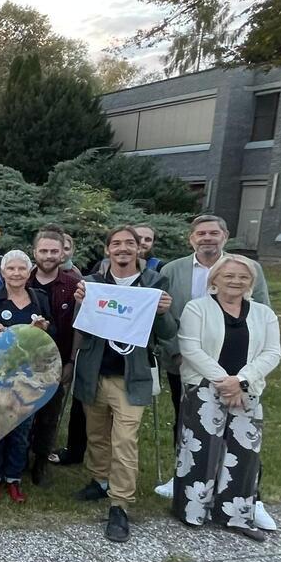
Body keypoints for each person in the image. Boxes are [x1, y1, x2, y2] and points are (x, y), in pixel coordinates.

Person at [157, 215, 273, 520]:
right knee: (190, 432)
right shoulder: (174, 272)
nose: (207, 238)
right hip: (192, 369)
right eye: (201, 233)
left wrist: (240, 380)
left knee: (243, 444)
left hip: (243, 377)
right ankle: (190, 492)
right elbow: (172, 321)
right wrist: (216, 376)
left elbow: (269, 341)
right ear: (191, 238)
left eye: (213, 233)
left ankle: (248, 501)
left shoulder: (250, 276)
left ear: (225, 236)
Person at [72, 226, 176, 543]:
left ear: (139, 249)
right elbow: (82, 328)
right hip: (95, 372)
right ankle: (100, 480)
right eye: (116, 243)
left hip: (131, 377)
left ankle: (120, 503)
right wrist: (81, 304)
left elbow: (167, 333)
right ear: (107, 250)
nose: (122, 248)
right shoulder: (92, 284)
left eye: (129, 243)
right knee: (96, 434)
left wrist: (162, 313)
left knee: (125, 441)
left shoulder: (154, 284)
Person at [173, 254, 281, 542]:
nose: (235, 281)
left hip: (247, 389)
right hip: (204, 387)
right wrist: (225, 382)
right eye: (229, 275)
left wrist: (241, 381)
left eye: (243, 277)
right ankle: (193, 511)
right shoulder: (197, 308)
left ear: (251, 282)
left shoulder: (263, 314)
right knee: (200, 451)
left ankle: (235, 515)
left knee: (244, 455)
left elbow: (272, 352)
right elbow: (191, 348)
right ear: (215, 279)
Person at [0, 250, 54, 504]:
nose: (16, 273)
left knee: (21, 430)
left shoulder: (40, 299)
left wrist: (44, 329)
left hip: (29, 378)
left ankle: (13, 478)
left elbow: (51, 335)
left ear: (29, 272)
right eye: (11, 269)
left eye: (22, 269)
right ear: (3, 272)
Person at [25, 230, 79, 484]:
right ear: (34, 252)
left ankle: (41, 462)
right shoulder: (22, 280)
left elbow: (78, 328)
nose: (48, 256)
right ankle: (19, 455)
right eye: (43, 251)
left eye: (54, 251)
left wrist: (71, 361)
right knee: (20, 411)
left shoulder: (74, 286)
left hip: (56, 362)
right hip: (22, 361)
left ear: (62, 253)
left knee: (49, 416)